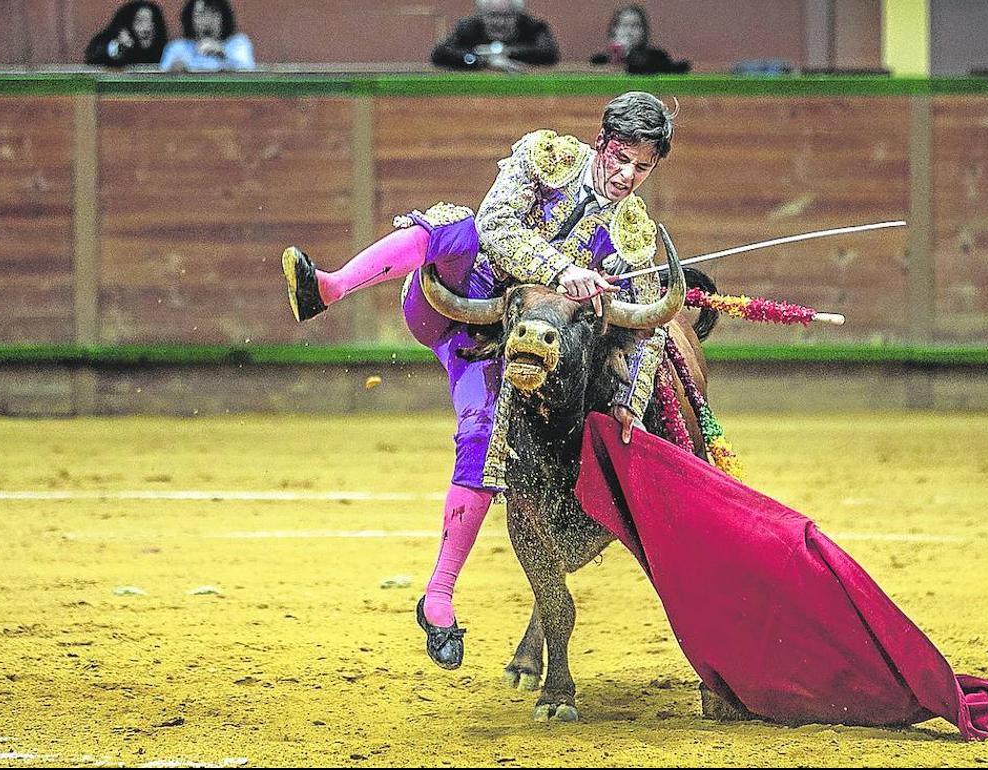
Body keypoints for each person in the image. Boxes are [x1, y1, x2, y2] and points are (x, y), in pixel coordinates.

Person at [282, 92, 676, 670]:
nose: (626, 175)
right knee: (456, 227)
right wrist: (564, 271)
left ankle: (437, 599)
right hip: (458, 303)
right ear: (601, 141)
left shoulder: (633, 238)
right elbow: (494, 226)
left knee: (484, 439)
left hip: (500, 352)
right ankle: (330, 287)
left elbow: (650, 331)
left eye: (642, 167)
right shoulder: (548, 158)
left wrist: (628, 401)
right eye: (620, 156)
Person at [431, 0, 559, 72]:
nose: (499, 23)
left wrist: (507, 52)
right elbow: (440, 54)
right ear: (480, 16)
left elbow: (549, 53)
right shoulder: (468, 27)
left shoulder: (534, 27)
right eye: (492, 16)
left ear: (518, 16)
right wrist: (482, 61)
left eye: (507, 16)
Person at [589, 4, 690, 75]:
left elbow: (680, 69)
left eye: (635, 26)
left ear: (643, 31)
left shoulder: (657, 58)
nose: (628, 31)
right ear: (614, 30)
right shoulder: (600, 61)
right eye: (624, 25)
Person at [160, 0, 255, 72]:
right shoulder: (177, 47)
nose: (207, 20)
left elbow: (248, 71)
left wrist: (223, 54)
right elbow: (161, 77)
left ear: (224, 17)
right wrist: (175, 69)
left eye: (213, 13)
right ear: (190, 18)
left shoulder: (238, 43)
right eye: (201, 14)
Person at [85, 1, 169, 67]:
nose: (146, 29)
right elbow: (96, 57)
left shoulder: (166, 52)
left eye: (152, 22)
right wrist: (119, 48)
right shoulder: (108, 42)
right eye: (140, 21)